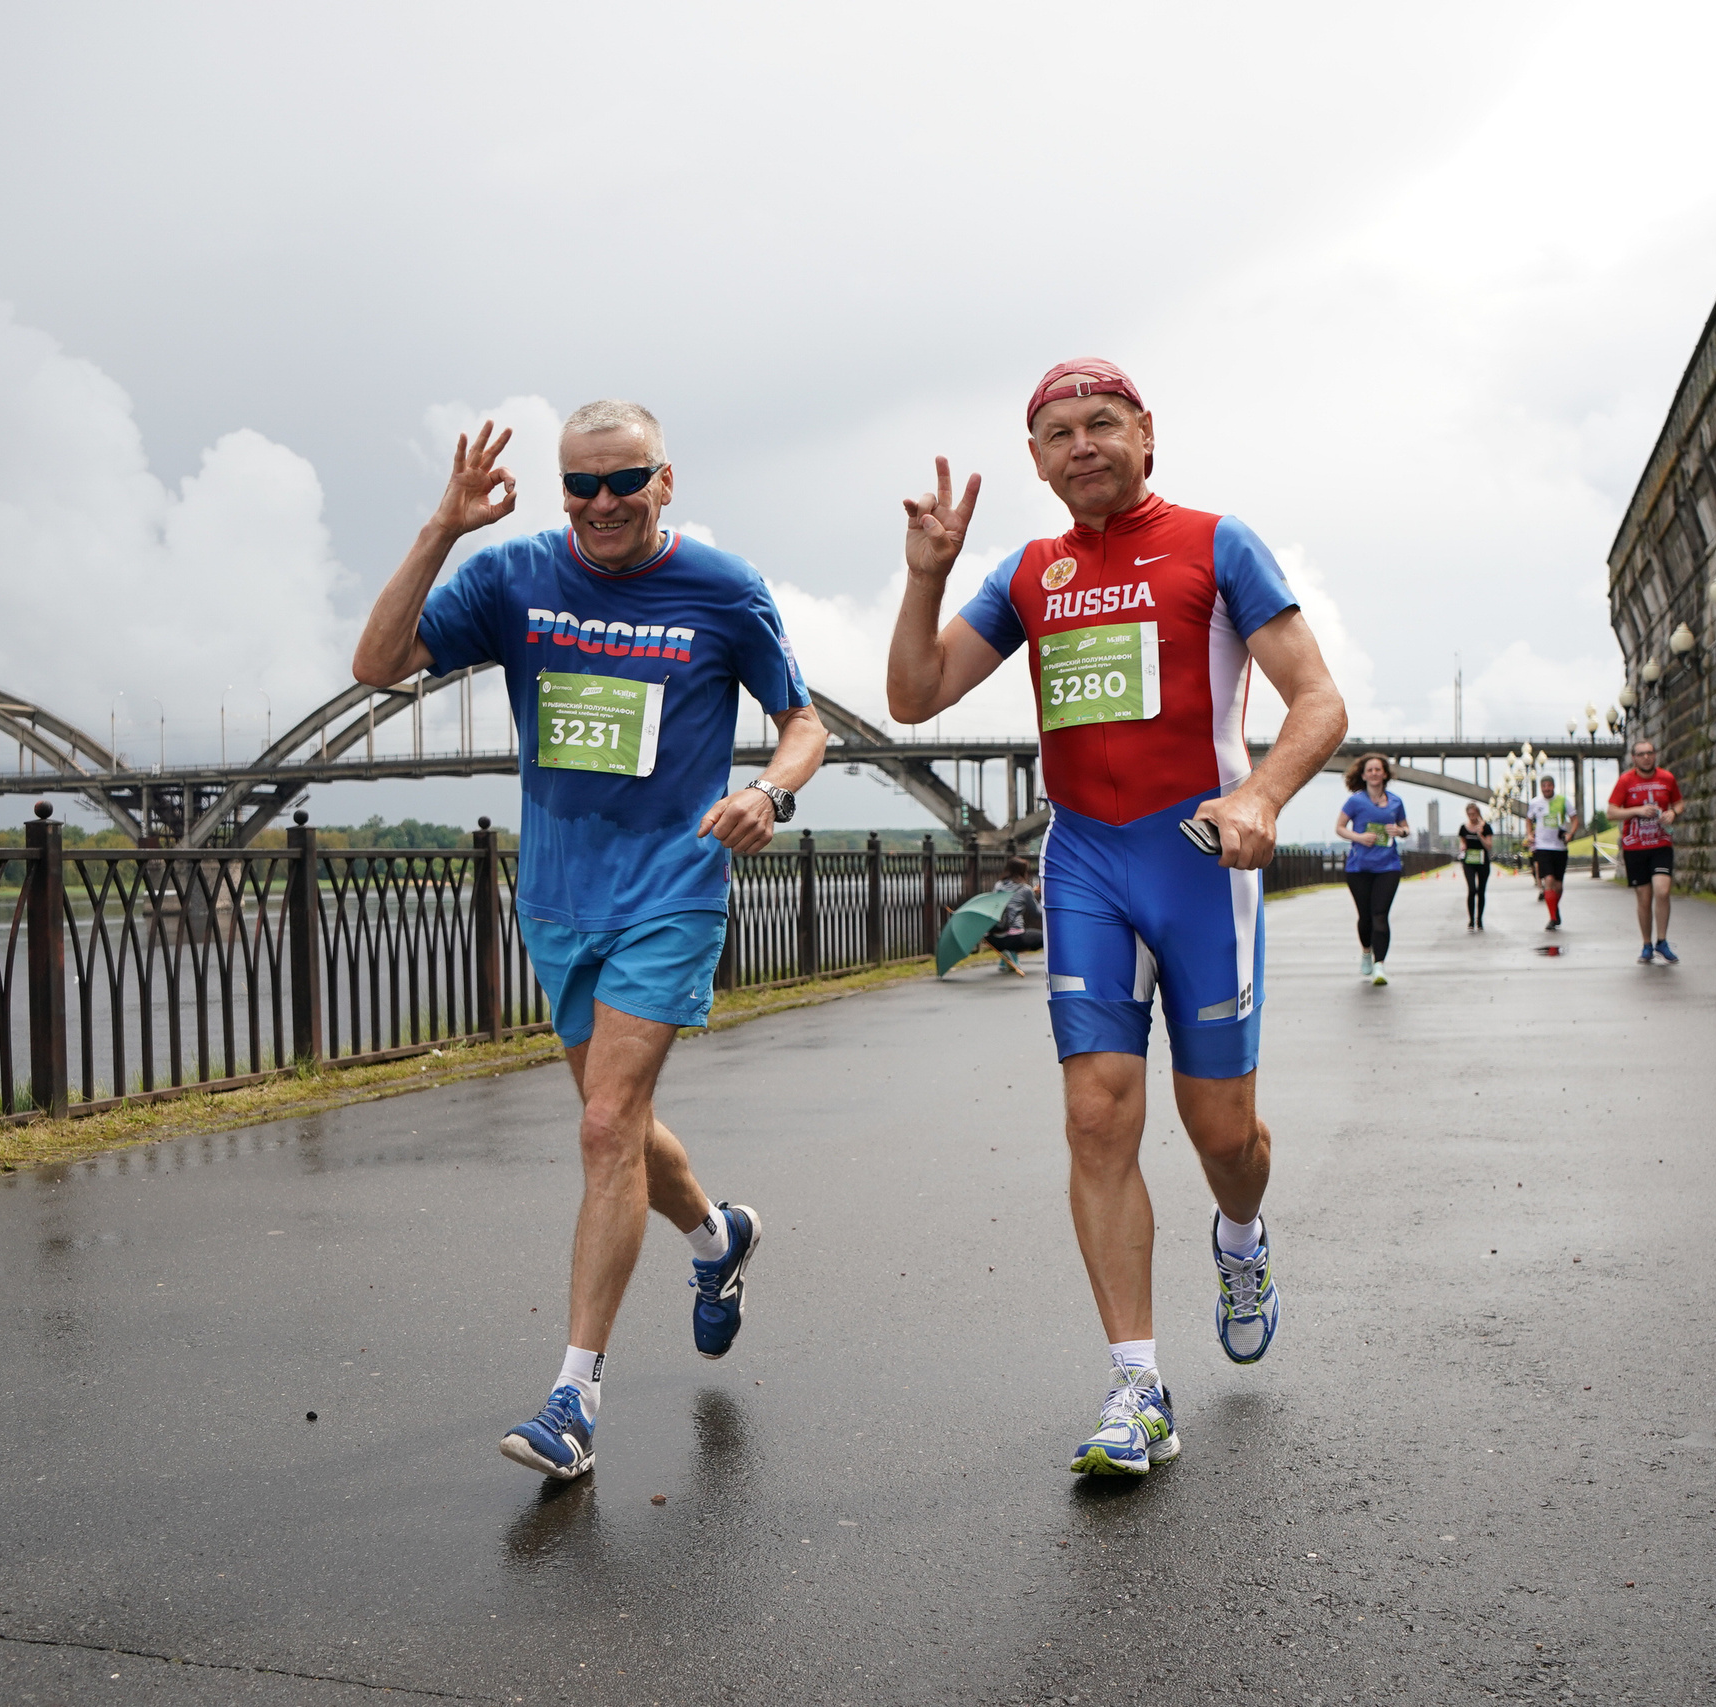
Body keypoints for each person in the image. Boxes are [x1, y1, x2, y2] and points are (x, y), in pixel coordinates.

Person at [885, 358, 1349, 1477]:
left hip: (1198, 861)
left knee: (1223, 1135)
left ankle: (1240, 1237)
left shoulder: (1217, 544)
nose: (1081, 444)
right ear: (1036, 459)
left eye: (1102, 423)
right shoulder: (1028, 573)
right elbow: (912, 695)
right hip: (1087, 859)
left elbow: (1319, 700)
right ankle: (1137, 1386)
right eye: (1058, 433)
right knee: (1096, 1115)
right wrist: (925, 580)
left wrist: (1260, 796)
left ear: (1146, 433)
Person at [351, 402, 827, 1481]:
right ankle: (719, 1238)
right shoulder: (512, 575)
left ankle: (573, 1400)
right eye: (581, 484)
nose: (601, 503)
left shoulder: (723, 588)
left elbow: (804, 721)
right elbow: (376, 665)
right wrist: (443, 528)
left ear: (666, 480)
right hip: (559, 897)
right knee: (621, 1128)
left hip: (672, 887)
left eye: (624, 481)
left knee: (606, 1123)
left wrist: (768, 792)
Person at [1607, 735, 1683, 965]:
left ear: (1655, 755)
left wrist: (1673, 813)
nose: (1646, 757)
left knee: (1662, 891)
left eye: (1650, 753)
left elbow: (1679, 802)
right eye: (1641, 754)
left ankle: (1662, 941)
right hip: (1635, 847)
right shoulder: (1626, 781)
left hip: (1661, 844)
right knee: (1644, 897)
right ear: (1634, 758)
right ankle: (1647, 944)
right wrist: (1637, 811)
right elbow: (1611, 812)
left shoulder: (1667, 778)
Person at [1336, 754, 1407, 984]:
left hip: (1388, 866)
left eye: (1378, 769)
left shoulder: (1396, 802)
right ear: (1364, 775)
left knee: (1380, 915)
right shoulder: (1355, 801)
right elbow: (1339, 827)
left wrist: (1400, 831)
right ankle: (1367, 951)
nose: (1375, 773)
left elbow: (1406, 828)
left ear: (1385, 774)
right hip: (1359, 868)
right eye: (1370, 770)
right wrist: (1359, 837)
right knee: (1365, 917)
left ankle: (1380, 965)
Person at [982, 855, 1045, 975]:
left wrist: (1031, 893)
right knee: (1043, 938)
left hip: (994, 937)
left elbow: (1010, 900)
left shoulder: (998, 886)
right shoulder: (1025, 889)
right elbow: (1037, 913)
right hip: (1015, 937)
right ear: (1023, 872)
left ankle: (1005, 958)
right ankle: (1011, 952)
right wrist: (1042, 898)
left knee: (1011, 936)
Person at [1526, 773, 1573, 931]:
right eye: (1543, 786)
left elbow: (1575, 819)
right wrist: (1529, 834)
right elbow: (1528, 819)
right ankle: (1553, 917)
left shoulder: (1562, 801)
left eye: (1549, 786)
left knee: (1558, 886)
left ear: (1553, 786)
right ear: (1541, 787)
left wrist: (1570, 834)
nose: (1546, 789)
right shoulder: (1535, 803)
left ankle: (1555, 909)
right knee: (1549, 879)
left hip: (1560, 847)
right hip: (1542, 847)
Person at [1459, 802, 1495, 929]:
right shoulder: (1463, 828)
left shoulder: (1486, 827)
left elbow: (1489, 846)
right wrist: (1463, 847)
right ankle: (1471, 920)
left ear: (1478, 813)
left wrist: (1480, 835)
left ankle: (1479, 919)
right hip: (1469, 861)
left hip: (1482, 861)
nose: (1471, 817)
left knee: (1481, 891)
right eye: (1469, 814)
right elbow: (1462, 842)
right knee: (1472, 890)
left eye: (1473, 814)